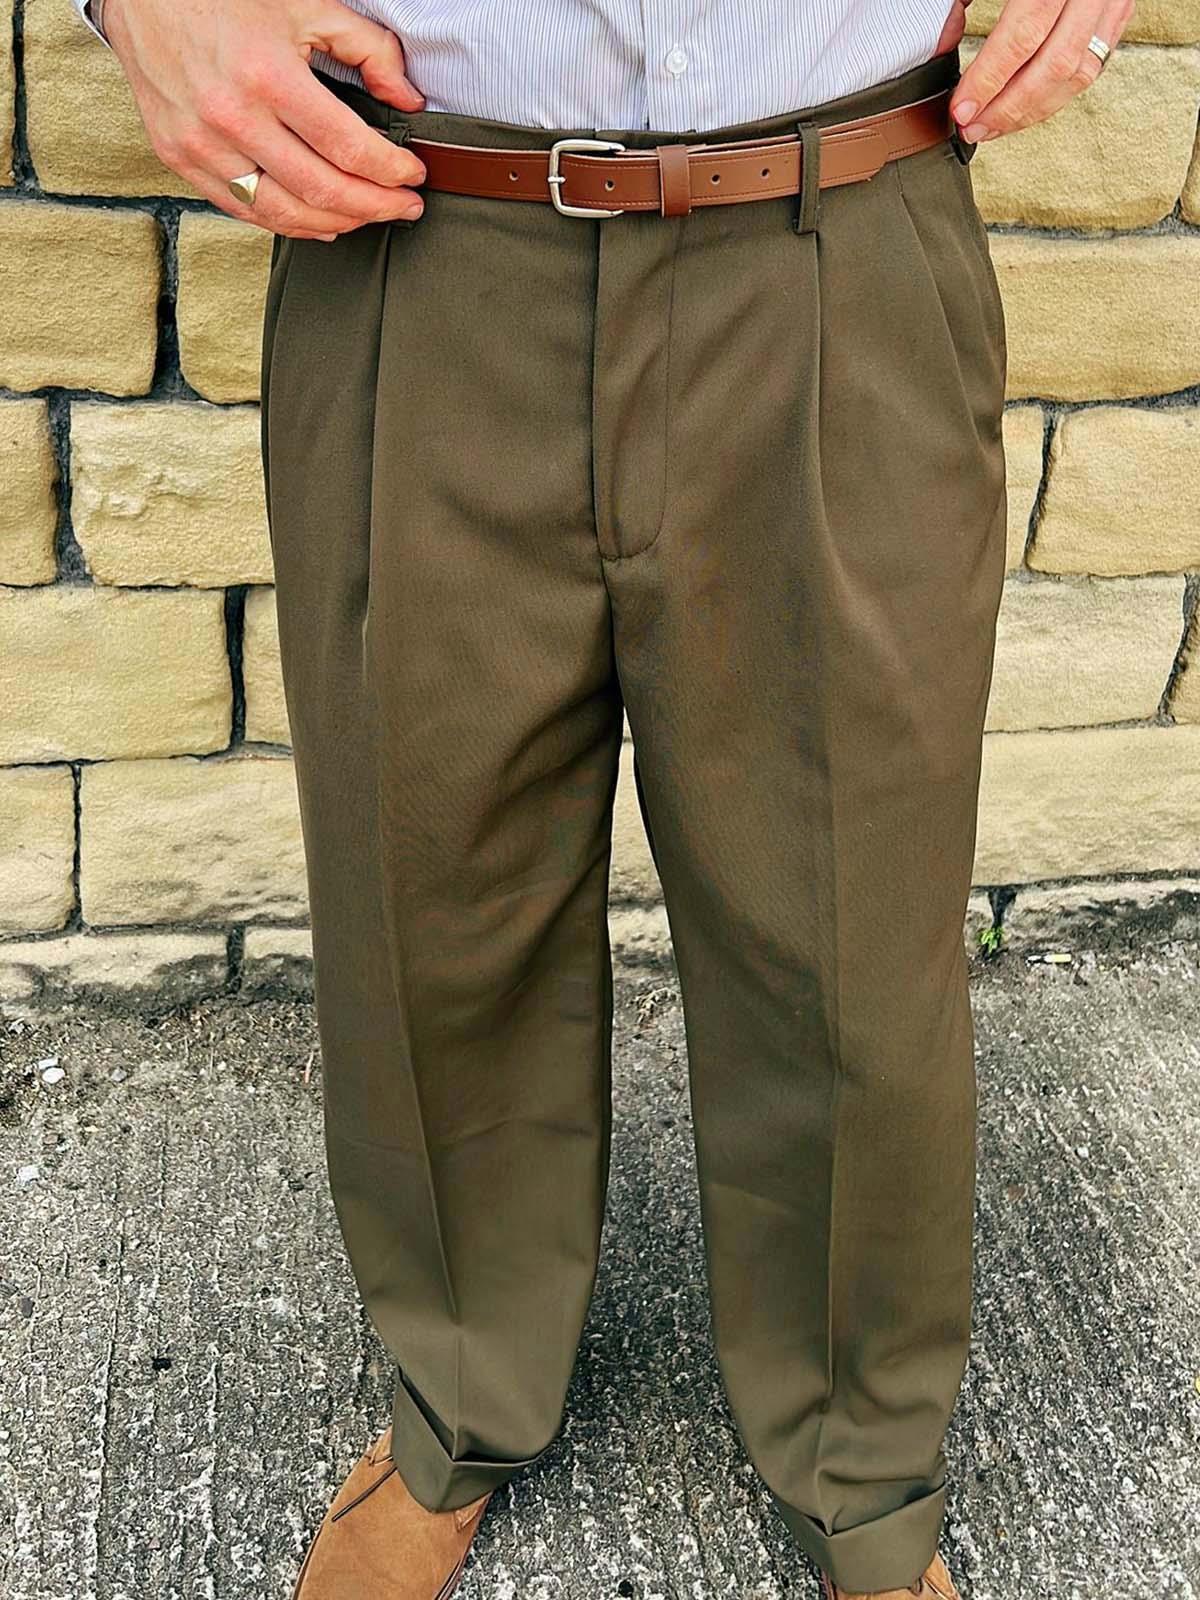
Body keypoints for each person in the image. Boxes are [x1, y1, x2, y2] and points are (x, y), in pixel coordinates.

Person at [72, 2, 1129, 1596]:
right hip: (419, 234)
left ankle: (861, 1470)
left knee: (852, 931)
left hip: (840, 234)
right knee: (430, 887)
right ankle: (460, 1395)